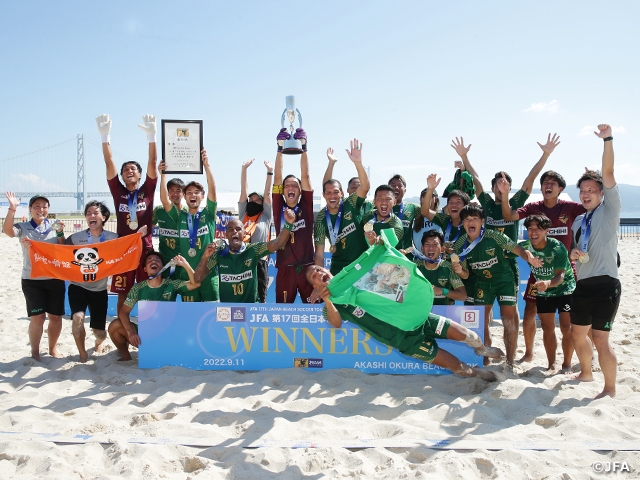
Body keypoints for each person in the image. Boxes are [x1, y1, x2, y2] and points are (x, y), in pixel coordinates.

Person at [305, 237, 504, 381]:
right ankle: (479, 374)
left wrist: (382, 248)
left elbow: (388, 269)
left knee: (470, 336)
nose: (319, 272)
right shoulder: (334, 303)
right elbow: (336, 323)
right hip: (405, 340)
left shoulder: (355, 277)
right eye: (315, 275)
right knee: (458, 368)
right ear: (315, 286)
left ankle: (482, 349)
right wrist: (329, 301)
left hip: (420, 318)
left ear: (328, 269)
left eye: (320, 269)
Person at [500, 170, 586, 363]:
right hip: (538, 269)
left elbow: (595, 210)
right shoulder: (534, 207)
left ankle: (576, 357)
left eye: (553, 183)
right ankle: (529, 353)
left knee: (570, 321)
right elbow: (508, 215)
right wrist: (505, 194)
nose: (548, 186)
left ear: (560, 189)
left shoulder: (569, 207)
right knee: (529, 313)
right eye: (545, 182)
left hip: (564, 269)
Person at [451, 204, 543, 366]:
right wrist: (459, 270)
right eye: (466, 219)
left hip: (504, 280)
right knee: (482, 322)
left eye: (474, 219)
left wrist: (530, 258)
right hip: (482, 283)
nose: (470, 222)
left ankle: (509, 360)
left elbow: (518, 249)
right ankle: (485, 357)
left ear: (482, 221)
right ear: (462, 223)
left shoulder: (494, 236)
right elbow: (465, 274)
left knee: (508, 319)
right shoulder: (459, 245)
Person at [569, 124, 620, 399]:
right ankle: (586, 373)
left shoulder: (610, 209)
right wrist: (573, 254)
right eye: (583, 190)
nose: (586, 193)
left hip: (606, 283)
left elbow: (608, 173)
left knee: (600, 339)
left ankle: (609, 389)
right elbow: (575, 250)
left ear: (601, 193)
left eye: (592, 189)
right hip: (583, 284)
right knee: (578, 335)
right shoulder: (579, 219)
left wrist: (607, 140)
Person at [96, 113, 158, 317]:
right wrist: (105, 137)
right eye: (125, 170)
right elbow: (109, 162)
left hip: (145, 249)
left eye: (133, 169)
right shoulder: (119, 191)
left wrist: (152, 137)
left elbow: (153, 160)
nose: (128, 171)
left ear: (140, 175)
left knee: (146, 291)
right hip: (123, 250)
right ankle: (123, 326)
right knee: (122, 293)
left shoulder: (147, 190)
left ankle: (147, 327)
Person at [3, 193, 66, 361]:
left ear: (48, 209)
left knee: (56, 317)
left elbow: (63, 248)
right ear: (30, 209)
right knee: (38, 318)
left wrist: (60, 233)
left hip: (54, 278)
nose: (41, 209)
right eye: (36, 206)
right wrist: (12, 208)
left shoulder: (54, 227)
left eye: (44, 206)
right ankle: (35, 353)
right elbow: (8, 231)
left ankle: (53, 349)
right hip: (32, 280)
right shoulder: (23, 227)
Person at [108, 252, 200, 361]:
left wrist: (185, 264)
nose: (153, 261)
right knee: (114, 325)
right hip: (146, 335)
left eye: (157, 260)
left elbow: (196, 284)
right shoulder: (138, 288)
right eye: (149, 260)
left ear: (163, 267)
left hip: (168, 334)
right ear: (145, 269)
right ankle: (126, 356)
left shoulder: (171, 285)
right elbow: (123, 312)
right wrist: (130, 332)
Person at [194, 208, 297, 302]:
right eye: (230, 229)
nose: (234, 231)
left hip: (251, 308)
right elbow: (197, 279)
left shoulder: (253, 249)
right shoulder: (219, 253)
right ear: (226, 235)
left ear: (244, 233)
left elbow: (278, 243)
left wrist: (288, 223)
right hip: (228, 311)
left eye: (238, 229)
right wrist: (205, 257)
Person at [159, 149, 218, 301]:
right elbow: (165, 201)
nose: (193, 195)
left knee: (212, 314)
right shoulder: (180, 216)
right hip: (188, 275)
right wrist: (163, 174)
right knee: (191, 316)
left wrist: (207, 165)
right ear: (184, 197)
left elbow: (213, 189)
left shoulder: (208, 214)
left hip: (208, 273)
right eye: (189, 192)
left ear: (202, 196)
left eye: (197, 192)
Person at [64, 201, 119, 362]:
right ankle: (82, 353)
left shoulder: (113, 238)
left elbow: (126, 252)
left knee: (99, 331)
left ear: (104, 217)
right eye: (88, 213)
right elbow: (60, 253)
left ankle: (99, 342)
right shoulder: (75, 238)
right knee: (77, 317)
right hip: (77, 286)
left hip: (99, 289)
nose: (91, 216)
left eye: (95, 213)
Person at [519, 214, 575, 372]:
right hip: (543, 291)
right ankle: (551, 364)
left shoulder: (557, 247)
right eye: (530, 229)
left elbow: (561, 276)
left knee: (566, 327)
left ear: (547, 231)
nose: (533, 232)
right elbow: (509, 247)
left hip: (565, 289)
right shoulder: (526, 246)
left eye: (538, 229)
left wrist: (548, 283)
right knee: (547, 327)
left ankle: (567, 364)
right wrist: (526, 255)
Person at [314, 139, 370, 275]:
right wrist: (319, 278)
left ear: (342, 193)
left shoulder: (350, 203)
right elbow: (320, 254)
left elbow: (365, 187)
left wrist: (358, 163)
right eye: (328, 193)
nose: (332, 196)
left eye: (336, 192)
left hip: (363, 264)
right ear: (323, 195)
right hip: (339, 269)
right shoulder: (321, 218)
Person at [272, 127, 314, 303]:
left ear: (300, 190)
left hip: (307, 268)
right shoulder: (278, 206)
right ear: (282, 191)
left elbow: (305, 175)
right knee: (282, 312)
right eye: (287, 185)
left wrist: (304, 148)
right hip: (285, 269)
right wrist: (279, 150)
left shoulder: (306, 204)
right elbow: (277, 177)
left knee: (313, 310)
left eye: (295, 186)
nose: (291, 188)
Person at [238, 158, 274, 302]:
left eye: (257, 200)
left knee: (260, 296)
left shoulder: (266, 215)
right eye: (251, 200)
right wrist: (244, 170)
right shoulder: (243, 213)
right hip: (241, 259)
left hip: (260, 260)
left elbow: (267, 194)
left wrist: (269, 172)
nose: (253, 202)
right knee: (242, 295)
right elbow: (243, 191)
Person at [416, 230, 467, 305]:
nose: (431, 248)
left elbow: (463, 296)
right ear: (422, 248)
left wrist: (442, 291)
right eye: (427, 245)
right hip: (419, 313)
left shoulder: (448, 267)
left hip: (441, 313)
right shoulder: (415, 266)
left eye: (435, 245)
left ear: (442, 249)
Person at [322, 147, 373, 218]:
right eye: (353, 187)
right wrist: (331, 163)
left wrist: (358, 163)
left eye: (359, 187)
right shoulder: (343, 203)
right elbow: (327, 186)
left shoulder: (369, 205)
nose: (356, 190)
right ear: (346, 190)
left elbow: (365, 186)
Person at [153, 176, 185, 266]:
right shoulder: (159, 211)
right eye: (171, 190)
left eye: (178, 191)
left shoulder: (188, 212)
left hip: (183, 260)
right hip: (164, 260)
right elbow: (147, 229)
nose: (175, 194)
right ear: (167, 192)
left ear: (183, 194)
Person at [388, 174, 420, 257]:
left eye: (399, 186)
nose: (396, 188)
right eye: (393, 185)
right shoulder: (381, 208)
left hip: (406, 256)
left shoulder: (412, 207)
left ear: (405, 190)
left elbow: (428, 211)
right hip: (387, 257)